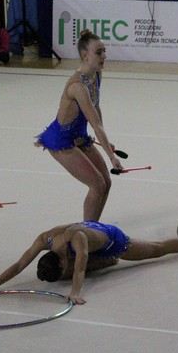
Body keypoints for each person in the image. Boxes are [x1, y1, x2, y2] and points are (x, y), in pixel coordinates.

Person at [0, 220, 178, 305]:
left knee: (158, 249)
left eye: (62, 270)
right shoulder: (44, 240)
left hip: (112, 239)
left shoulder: (76, 242)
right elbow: (18, 265)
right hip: (90, 243)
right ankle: (106, 262)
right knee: (81, 266)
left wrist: (75, 294)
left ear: (62, 261)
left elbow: (78, 268)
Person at [35, 30, 123, 221]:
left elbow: (96, 110)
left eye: (104, 51)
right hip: (62, 140)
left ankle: (94, 229)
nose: (104, 56)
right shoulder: (77, 86)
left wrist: (106, 143)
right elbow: (95, 123)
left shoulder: (96, 76)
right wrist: (110, 155)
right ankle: (87, 233)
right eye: (99, 52)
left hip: (79, 135)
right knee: (97, 184)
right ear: (85, 55)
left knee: (106, 182)